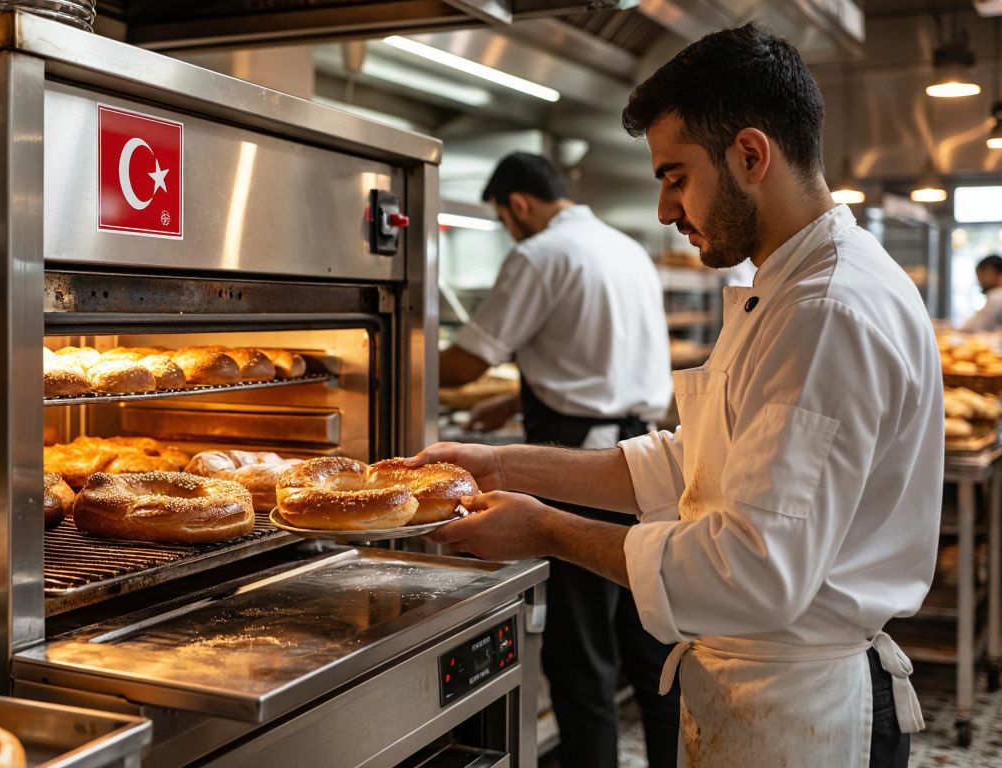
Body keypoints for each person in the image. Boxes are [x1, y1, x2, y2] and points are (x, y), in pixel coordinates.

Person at [416, 23, 940, 768]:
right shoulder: (784, 286)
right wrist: (503, 466)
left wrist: (545, 530)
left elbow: (753, 573)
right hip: (761, 694)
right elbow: (696, 461)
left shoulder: (826, 309)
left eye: (675, 176)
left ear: (751, 155)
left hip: (804, 716)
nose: (666, 209)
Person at [438, 152, 678, 768]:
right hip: (646, 462)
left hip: (581, 469)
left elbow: (465, 362)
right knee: (652, 645)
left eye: (504, 217)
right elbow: (594, 359)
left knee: (582, 655)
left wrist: (381, 366)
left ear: (517, 204)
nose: (510, 229)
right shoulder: (626, 249)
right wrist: (505, 402)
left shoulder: (539, 253)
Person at [960, 254, 1002, 331]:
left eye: (979, 276)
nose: (979, 283)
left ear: (990, 272)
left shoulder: (997, 296)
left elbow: (972, 327)